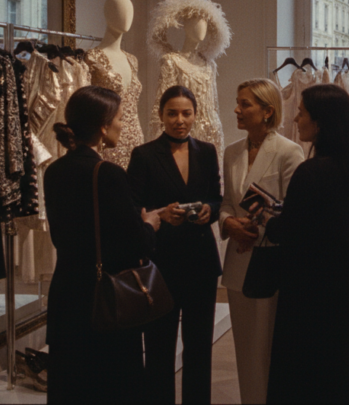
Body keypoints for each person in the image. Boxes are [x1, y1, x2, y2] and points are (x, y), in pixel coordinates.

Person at [43, 85, 167, 404]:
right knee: (109, 386)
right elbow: (136, 244)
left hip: (66, 292)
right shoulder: (107, 173)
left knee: (71, 385)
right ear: (102, 125)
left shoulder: (54, 171)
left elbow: (64, 234)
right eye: (120, 118)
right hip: (103, 298)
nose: (122, 125)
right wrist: (149, 223)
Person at [252, 84, 349, 404]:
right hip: (341, 277)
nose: (296, 118)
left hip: (308, 283)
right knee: (337, 362)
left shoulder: (311, 171)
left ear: (319, 122)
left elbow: (289, 230)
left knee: (300, 367)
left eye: (301, 112)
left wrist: (265, 217)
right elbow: (323, 222)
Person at [127, 85, 223, 404]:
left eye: (186, 113)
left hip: (201, 263)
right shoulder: (143, 155)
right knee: (159, 348)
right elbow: (134, 208)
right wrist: (161, 214)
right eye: (172, 113)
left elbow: (216, 197)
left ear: (196, 114)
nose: (179, 120)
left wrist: (210, 210)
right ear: (161, 115)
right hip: (160, 264)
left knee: (199, 347)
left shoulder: (207, 151)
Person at [217, 79, 305, 404]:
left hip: (270, 262)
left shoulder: (287, 151)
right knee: (245, 350)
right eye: (238, 103)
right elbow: (227, 201)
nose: (237, 110)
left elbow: (294, 212)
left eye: (245, 104)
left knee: (267, 350)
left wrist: (255, 227)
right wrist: (229, 223)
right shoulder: (232, 152)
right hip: (238, 263)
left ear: (267, 111)